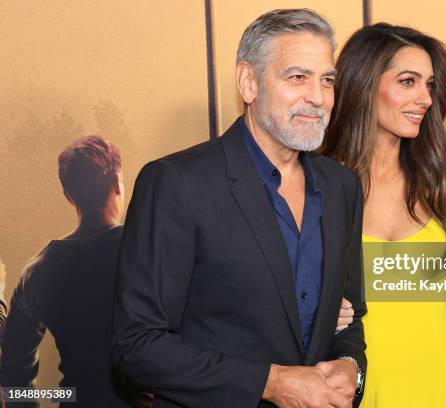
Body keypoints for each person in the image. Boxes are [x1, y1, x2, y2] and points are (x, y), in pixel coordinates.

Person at [111, 9, 365, 408]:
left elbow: (350, 315)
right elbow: (138, 344)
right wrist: (271, 382)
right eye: (298, 77)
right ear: (249, 82)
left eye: (327, 80)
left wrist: (351, 363)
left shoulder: (341, 187)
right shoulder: (178, 183)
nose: (318, 97)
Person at [322, 23, 446, 407]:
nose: (426, 98)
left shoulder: (437, 181)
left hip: (444, 379)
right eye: (408, 82)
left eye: (429, 85)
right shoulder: (320, 185)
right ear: (364, 83)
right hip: (358, 384)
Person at [0, 136, 130, 407]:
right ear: (117, 182)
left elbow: (14, 370)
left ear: (68, 195)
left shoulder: (39, 271)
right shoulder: (147, 250)